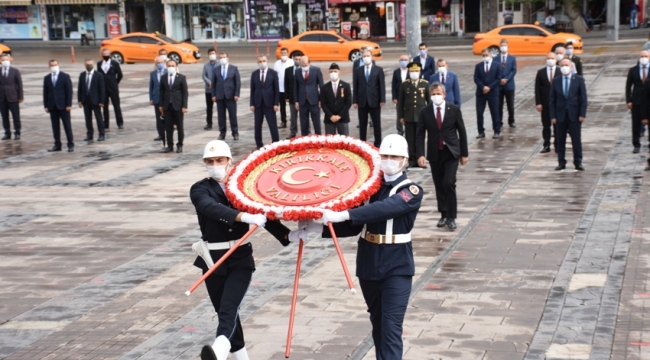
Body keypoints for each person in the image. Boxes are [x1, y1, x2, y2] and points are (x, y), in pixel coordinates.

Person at [303, 134, 422, 360]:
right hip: (369, 262)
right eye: (384, 156)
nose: (388, 160)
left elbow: (386, 209)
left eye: (394, 156)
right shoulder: (369, 189)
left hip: (397, 265)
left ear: (405, 160)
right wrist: (315, 228)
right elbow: (353, 226)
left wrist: (344, 214)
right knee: (378, 323)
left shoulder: (411, 190)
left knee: (391, 326)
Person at [192, 140, 303, 360]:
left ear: (228, 161)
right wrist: (243, 216)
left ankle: (219, 349)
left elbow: (263, 214)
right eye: (211, 161)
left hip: (240, 258)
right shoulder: (199, 188)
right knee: (226, 311)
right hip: (212, 258)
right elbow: (211, 208)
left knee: (228, 308)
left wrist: (286, 234)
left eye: (220, 160)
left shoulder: (242, 188)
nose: (215, 164)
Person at [416, 82, 468, 230]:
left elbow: (462, 132)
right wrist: (420, 154)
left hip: (451, 152)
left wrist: (464, 154)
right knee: (439, 184)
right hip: (434, 153)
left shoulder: (454, 110)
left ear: (444, 95)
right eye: (433, 94)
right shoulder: (425, 111)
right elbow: (419, 134)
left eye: (438, 93)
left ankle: (452, 217)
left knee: (449, 182)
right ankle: (443, 214)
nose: (436, 96)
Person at [549, 58, 587, 171]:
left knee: (576, 140)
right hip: (560, 115)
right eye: (562, 65)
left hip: (574, 115)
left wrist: (582, 114)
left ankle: (578, 161)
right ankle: (561, 162)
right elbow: (552, 100)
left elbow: (583, 98)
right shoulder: (556, 80)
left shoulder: (579, 80)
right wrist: (553, 116)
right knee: (560, 140)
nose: (564, 67)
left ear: (571, 67)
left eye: (567, 65)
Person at [397, 62, 430, 169]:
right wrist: (401, 116)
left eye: (416, 71)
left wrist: (429, 116)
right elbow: (400, 102)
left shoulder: (425, 84)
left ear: (420, 72)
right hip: (409, 115)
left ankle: (420, 159)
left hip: (421, 116)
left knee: (420, 138)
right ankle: (411, 160)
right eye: (412, 71)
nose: (414, 73)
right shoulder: (405, 84)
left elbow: (428, 101)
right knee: (410, 139)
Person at [353, 50, 385, 147]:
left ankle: (378, 143)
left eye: (368, 56)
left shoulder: (378, 70)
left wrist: (382, 99)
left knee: (376, 123)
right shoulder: (358, 70)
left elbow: (381, 85)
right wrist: (355, 101)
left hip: (374, 100)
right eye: (364, 56)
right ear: (362, 58)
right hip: (362, 101)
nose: (366, 57)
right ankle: (362, 143)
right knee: (362, 124)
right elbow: (355, 86)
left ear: (371, 57)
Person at [43, 59, 74, 152]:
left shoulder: (65, 76)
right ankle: (57, 145)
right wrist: (46, 105)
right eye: (52, 65)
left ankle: (70, 144)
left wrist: (69, 104)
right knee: (55, 127)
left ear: (58, 65)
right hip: (52, 106)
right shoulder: (47, 78)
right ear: (49, 67)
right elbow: (45, 92)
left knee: (67, 126)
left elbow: (69, 91)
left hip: (63, 106)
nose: (54, 67)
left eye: (55, 65)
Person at [249, 55, 280, 149]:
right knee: (257, 126)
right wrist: (252, 103)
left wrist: (276, 103)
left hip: (269, 104)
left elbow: (276, 89)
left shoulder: (273, 73)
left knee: (272, 125)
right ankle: (259, 144)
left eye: (264, 61)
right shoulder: (254, 74)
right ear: (257, 63)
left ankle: (276, 143)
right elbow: (252, 89)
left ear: (267, 61)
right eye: (260, 61)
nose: (262, 63)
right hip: (258, 104)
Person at [534, 52, 561, 153]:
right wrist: (538, 103)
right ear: (545, 60)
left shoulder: (560, 71)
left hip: (557, 104)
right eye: (548, 58)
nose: (550, 60)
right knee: (546, 126)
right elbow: (537, 89)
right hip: (545, 104)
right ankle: (546, 145)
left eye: (552, 58)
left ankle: (557, 145)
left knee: (557, 126)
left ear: (556, 60)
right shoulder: (541, 72)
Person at [159, 59, 188, 153]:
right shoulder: (163, 77)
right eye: (169, 66)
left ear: (176, 67)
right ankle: (170, 145)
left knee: (179, 126)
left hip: (178, 105)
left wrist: (184, 106)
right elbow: (161, 92)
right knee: (168, 127)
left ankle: (180, 145)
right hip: (167, 105)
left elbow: (185, 93)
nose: (171, 67)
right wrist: (161, 105)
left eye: (173, 66)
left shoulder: (181, 77)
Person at [211, 52, 241, 141]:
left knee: (232, 115)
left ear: (228, 58)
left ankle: (235, 133)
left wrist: (236, 94)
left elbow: (237, 83)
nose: (222, 59)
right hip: (220, 96)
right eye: (220, 58)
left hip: (230, 96)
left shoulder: (234, 69)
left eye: (224, 57)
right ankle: (222, 133)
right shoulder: (216, 69)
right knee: (221, 116)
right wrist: (213, 95)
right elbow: (214, 84)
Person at [474, 48, 502, 139]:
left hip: (493, 92)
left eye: (486, 55)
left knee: (494, 112)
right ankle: (481, 131)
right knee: (479, 112)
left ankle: (496, 130)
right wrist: (483, 87)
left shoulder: (497, 65)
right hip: (481, 93)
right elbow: (476, 78)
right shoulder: (478, 66)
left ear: (490, 54)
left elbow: (498, 78)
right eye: (483, 56)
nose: (485, 57)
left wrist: (489, 87)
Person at [626, 51, 649, 153]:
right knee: (635, 124)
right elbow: (628, 86)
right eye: (642, 56)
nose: (644, 58)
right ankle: (636, 144)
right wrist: (629, 100)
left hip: (649, 102)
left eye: (646, 56)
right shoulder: (633, 70)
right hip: (637, 101)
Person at [294, 55, 324, 135]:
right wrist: (296, 101)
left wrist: (321, 100)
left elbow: (321, 86)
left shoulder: (316, 70)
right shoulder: (297, 71)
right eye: (302, 65)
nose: (304, 67)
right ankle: (305, 140)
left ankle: (318, 138)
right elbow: (295, 87)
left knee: (316, 122)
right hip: (302, 101)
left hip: (314, 100)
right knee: (304, 123)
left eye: (305, 65)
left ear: (309, 62)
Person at [77, 58, 105, 142]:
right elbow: (80, 88)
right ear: (85, 65)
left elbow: (102, 89)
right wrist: (79, 100)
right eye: (87, 64)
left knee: (98, 118)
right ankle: (89, 134)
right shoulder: (82, 75)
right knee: (87, 118)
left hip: (96, 100)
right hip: (86, 100)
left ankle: (101, 134)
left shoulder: (99, 75)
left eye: (90, 64)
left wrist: (101, 101)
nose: (89, 65)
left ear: (93, 64)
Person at [320, 63, 352, 135]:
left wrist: (339, 116)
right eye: (331, 72)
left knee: (345, 141)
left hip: (343, 118)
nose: (333, 73)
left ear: (339, 72)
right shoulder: (324, 87)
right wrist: (330, 116)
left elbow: (348, 102)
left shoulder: (346, 85)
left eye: (335, 71)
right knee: (330, 142)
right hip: (329, 119)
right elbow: (323, 103)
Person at [97, 48, 124, 129]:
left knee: (116, 105)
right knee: (104, 106)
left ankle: (120, 122)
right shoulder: (99, 64)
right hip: (103, 88)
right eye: (104, 53)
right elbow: (99, 75)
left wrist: (115, 83)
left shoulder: (114, 63)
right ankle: (106, 123)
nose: (106, 55)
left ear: (110, 54)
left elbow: (120, 75)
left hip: (113, 87)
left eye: (107, 53)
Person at [0, 53, 23, 140]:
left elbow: (19, 84)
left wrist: (20, 96)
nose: (5, 61)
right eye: (3, 60)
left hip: (13, 97)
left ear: (10, 60)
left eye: (6, 59)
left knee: (15, 116)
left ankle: (17, 132)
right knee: (4, 116)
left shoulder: (15, 71)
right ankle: (7, 133)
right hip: (2, 98)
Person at [496, 39, 517, 128]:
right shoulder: (495, 58)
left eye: (505, 45)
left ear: (508, 47)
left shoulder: (512, 58)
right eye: (501, 46)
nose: (503, 47)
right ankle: (499, 121)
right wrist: (499, 79)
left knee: (510, 104)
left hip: (509, 85)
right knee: (499, 105)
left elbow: (513, 70)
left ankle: (511, 120)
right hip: (499, 85)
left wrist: (507, 79)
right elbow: (494, 70)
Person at [274, 48, 294, 129]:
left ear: (288, 53)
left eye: (285, 53)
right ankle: (283, 121)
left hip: (289, 88)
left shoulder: (291, 62)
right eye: (282, 53)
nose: (283, 55)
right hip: (280, 88)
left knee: (292, 105)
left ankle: (293, 120)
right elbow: (275, 76)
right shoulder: (277, 64)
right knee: (282, 106)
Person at [284, 54, 302, 139]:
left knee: (304, 116)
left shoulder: (304, 69)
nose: (297, 60)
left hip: (302, 97)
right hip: (292, 97)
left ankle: (306, 132)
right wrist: (286, 96)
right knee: (293, 116)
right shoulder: (288, 70)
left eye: (299, 59)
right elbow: (286, 84)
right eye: (296, 59)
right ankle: (293, 132)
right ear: (293, 60)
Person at [150, 56, 167, 142]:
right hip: (156, 98)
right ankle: (160, 134)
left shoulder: (167, 72)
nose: (160, 64)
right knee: (158, 117)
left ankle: (167, 132)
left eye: (161, 62)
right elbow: (151, 86)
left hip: (165, 98)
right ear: (156, 64)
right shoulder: (153, 73)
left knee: (166, 116)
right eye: (158, 63)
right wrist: (151, 98)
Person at [392, 55, 410, 136]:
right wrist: (394, 97)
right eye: (402, 60)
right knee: (399, 113)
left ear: (408, 61)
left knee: (408, 113)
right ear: (399, 61)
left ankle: (408, 128)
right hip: (399, 97)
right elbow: (393, 85)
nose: (403, 61)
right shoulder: (396, 72)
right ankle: (400, 129)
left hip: (408, 97)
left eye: (405, 60)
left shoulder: (410, 71)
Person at [202, 49, 218, 130]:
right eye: (210, 53)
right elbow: (204, 76)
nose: (212, 55)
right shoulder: (206, 65)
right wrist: (209, 82)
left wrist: (215, 83)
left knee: (220, 107)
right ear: (208, 55)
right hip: (209, 89)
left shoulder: (219, 64)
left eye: (213, 53)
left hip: (218, 89)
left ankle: (221, 123)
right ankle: (209, 123)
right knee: (209, 108)